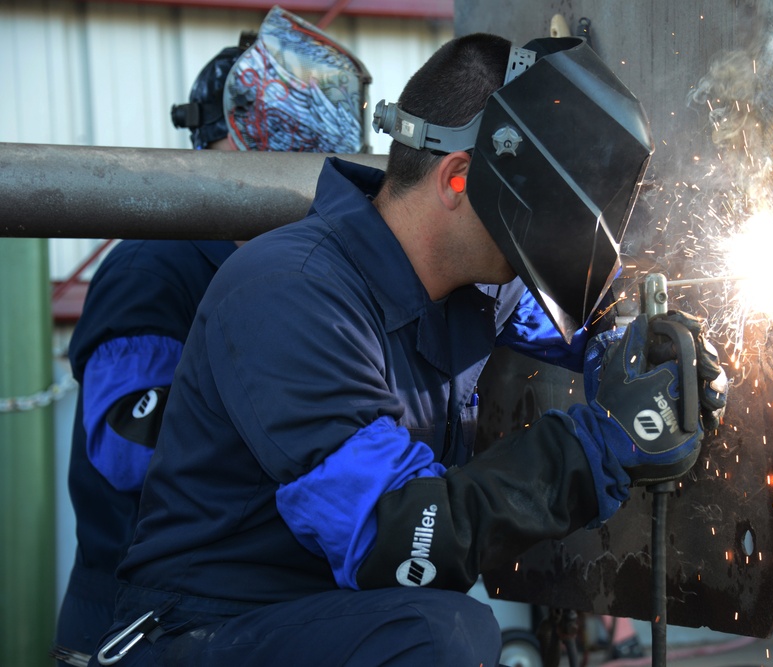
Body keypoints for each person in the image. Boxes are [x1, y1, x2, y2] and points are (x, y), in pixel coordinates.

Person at [90, 33, 726, 667]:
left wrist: (641, 349)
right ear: (460, 177)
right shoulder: (291, 292)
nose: (550, 241)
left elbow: (578, 319)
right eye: (542, 212)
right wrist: (599, 446)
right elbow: (401, 540)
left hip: (336, 618)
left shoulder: (474, 283)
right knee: (443, 637)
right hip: (207, 628)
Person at [53, 8, 370, 664]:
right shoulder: (154, 266)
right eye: (266, 128)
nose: (281, 148)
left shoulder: (278, 263)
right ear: (222, 136)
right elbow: (128, 447)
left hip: (234, 622)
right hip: (136, 628)